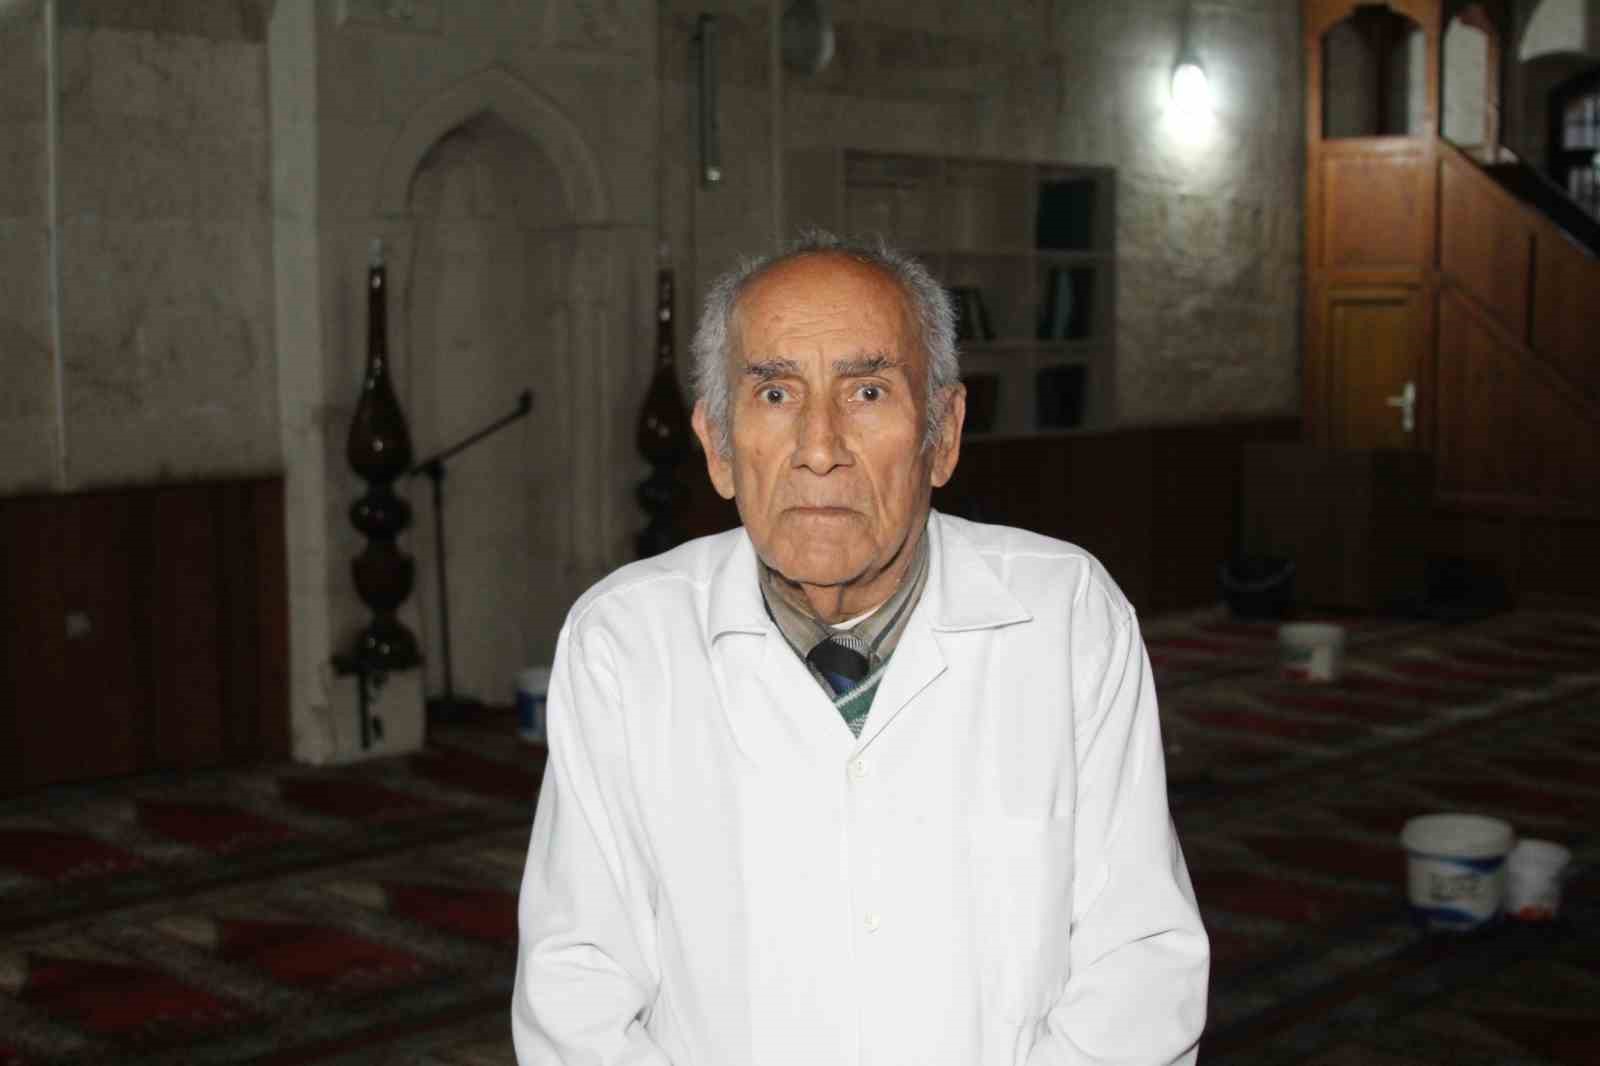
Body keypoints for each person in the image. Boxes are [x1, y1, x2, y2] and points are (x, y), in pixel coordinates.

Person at [511, 232, 1209, 1065]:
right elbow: (577, 989)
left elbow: (1139, 963)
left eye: (868, 391)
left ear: (943, 435)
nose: (819, 448)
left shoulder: (1067, 619)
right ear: (718, 447)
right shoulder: (625, 643)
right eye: (775, 394)